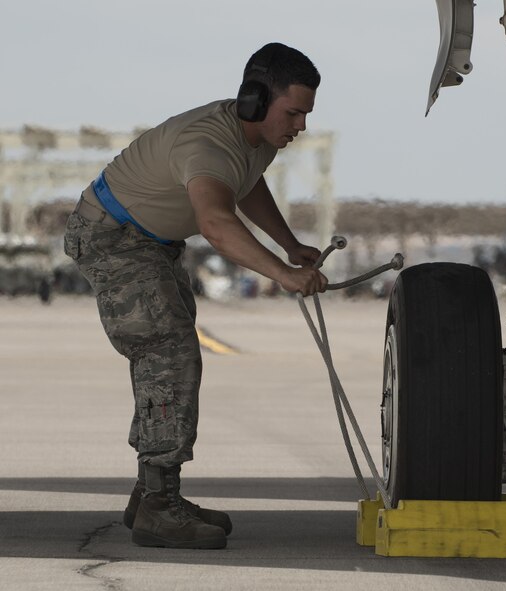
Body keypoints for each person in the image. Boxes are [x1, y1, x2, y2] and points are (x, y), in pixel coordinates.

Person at [63, 42, 328, 549]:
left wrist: (289, 245)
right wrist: (282, 275)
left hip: (152, 244)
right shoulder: (206, 143)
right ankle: (160, 507)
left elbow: (243, 187)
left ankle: (151, 495)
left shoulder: (259, 140)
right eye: (293, 112)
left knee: (171, 349)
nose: (300, 126)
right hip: (113, 236)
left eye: (305, 115)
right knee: (169, 353)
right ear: (254, 100)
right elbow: (216, 222)